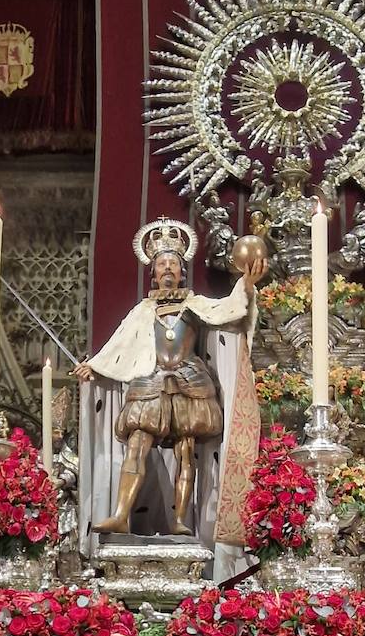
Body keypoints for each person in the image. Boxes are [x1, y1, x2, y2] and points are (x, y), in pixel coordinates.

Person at [74, 219, 266, 535]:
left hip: (190, 381)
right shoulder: (142, 310)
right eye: (162, 263)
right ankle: (121, 514)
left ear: (181, 270)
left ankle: (179, 521)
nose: (167, 269)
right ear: (153, 270)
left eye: (173, 264)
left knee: (186, 450)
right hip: (150, 380)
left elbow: (229, 310)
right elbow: (119, 343)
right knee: (136, 444)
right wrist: (95, 366)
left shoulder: (194, 304)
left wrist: (246, 283)